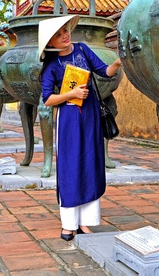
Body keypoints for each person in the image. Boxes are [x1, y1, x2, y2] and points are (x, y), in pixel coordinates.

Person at [38, 14, 122, 241]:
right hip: (69, 120)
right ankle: (68, 224)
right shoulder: (51, 66)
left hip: (91, 116)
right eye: (57, 35)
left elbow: (104, 72)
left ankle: (85, 222)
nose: (64, 36)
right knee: (70, 165)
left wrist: (117, 62)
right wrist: (71, 94)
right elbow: (47, 99)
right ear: (50, 44)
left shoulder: (83, 49)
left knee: (91, 163)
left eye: (64, 31)